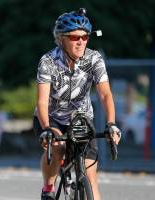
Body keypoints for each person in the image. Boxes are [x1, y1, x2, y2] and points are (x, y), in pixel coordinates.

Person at [33, 8, 121, 200]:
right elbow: (42, 100)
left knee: (90, 177)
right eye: (74, 37)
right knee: (56, 148)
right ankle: (48, 188)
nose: (81, 41)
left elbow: (105, 94)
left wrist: (112, 124)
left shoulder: (94, 58)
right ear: (61, 38)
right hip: (52, 117)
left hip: (81, 118)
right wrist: (47, 128)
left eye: (85, 37)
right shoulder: (48, 61)